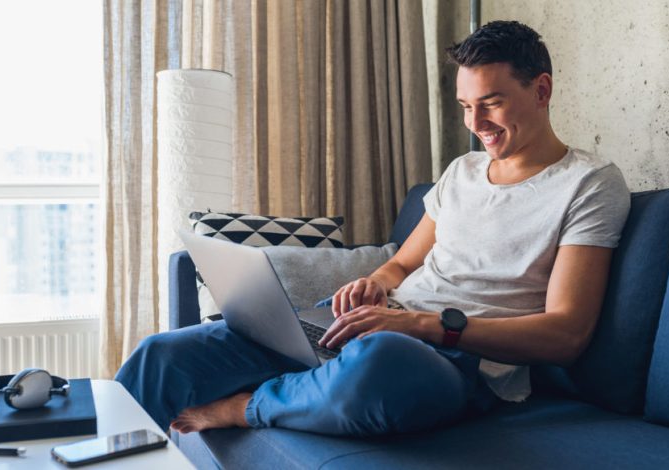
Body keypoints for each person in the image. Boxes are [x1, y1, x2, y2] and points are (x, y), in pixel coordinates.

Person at [115, 20, 630, 437]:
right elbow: (404, 263)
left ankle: (250, 406)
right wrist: (377, 285)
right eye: (466, 107)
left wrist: (425, 326)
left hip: (457, 362)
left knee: (379, 364)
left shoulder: (589, 184)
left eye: (491, 102)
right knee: (162, 355)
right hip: (381, 328)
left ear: (541, 90)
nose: (477, 123)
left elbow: (566, 333)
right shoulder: (462, 172)